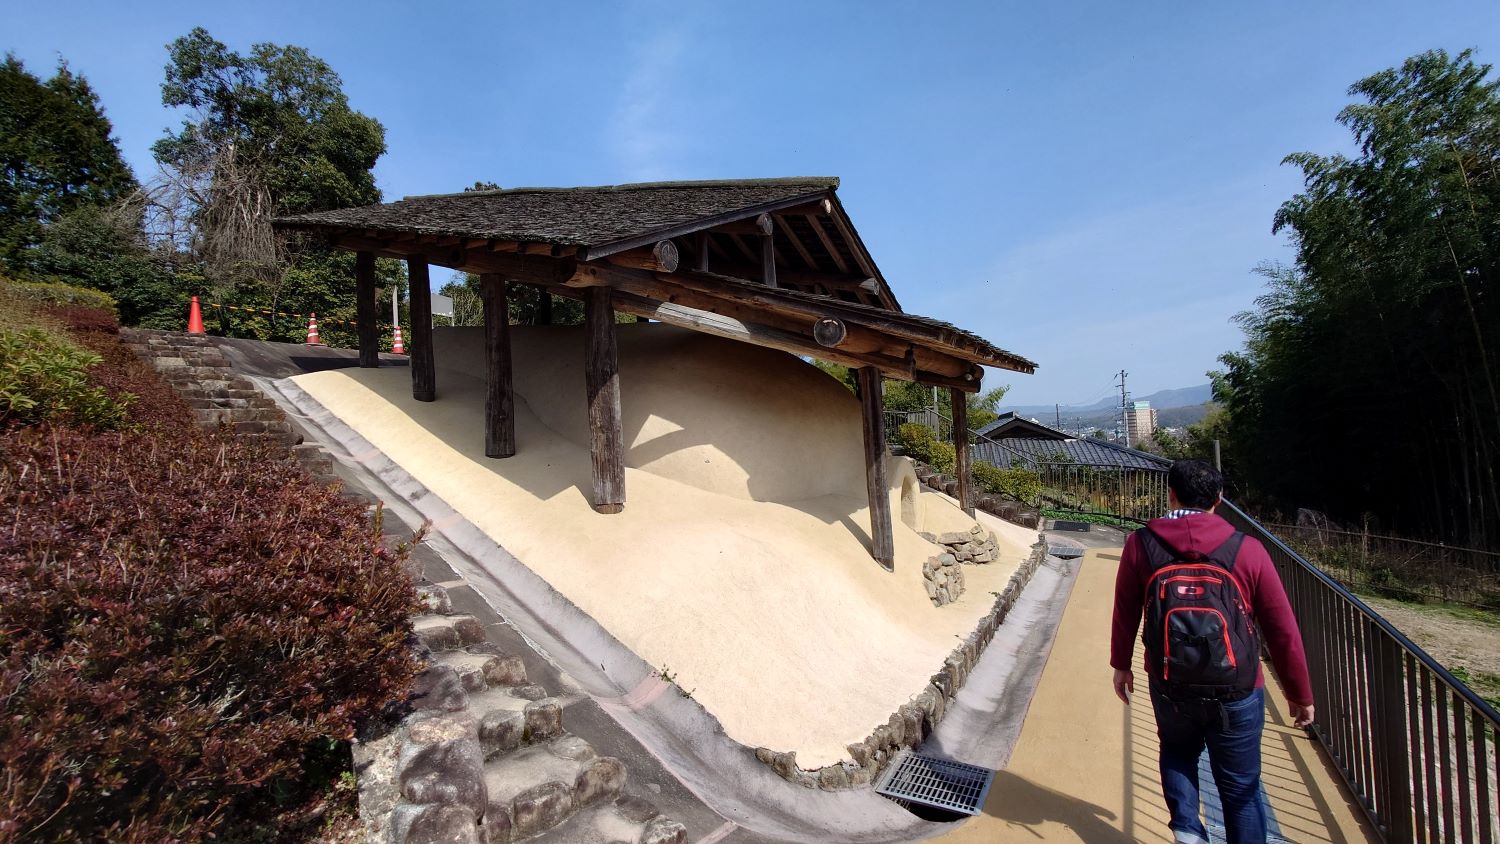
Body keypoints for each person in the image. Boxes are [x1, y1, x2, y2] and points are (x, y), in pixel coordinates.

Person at [1110, 459, 1315, 844]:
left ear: (1171, 495)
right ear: (1218, 499)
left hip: (1169, 681)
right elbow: (1281, 629)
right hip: (1237, 688)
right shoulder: (1247, 549)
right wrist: (1299, 694)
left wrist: (1121, 665)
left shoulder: (1141, 544)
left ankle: (1188, 830)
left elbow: (1125, 610)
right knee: (1240, 788)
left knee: (1177, 751)